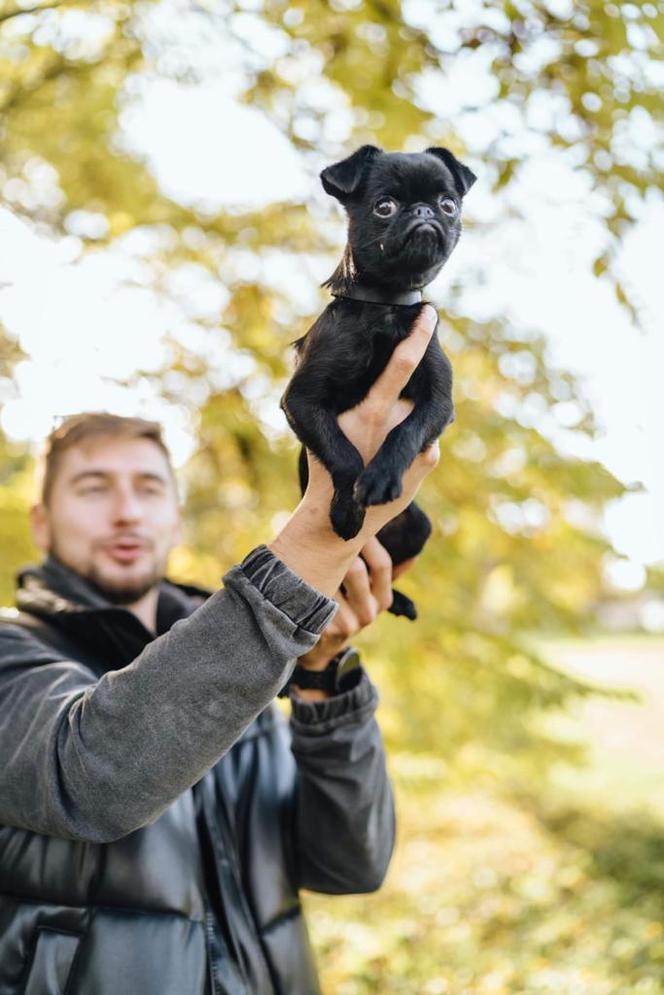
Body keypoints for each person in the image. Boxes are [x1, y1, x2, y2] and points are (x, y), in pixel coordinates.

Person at [0, 307, 440, 995]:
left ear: (175, 516)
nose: (126, 511)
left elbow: (348, 865)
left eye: (148, 488)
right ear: (41, 523)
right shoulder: (11, 649)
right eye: (93, 487)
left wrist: (321, 673)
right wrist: (320, 537)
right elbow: (94, 774)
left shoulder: (248, 657)